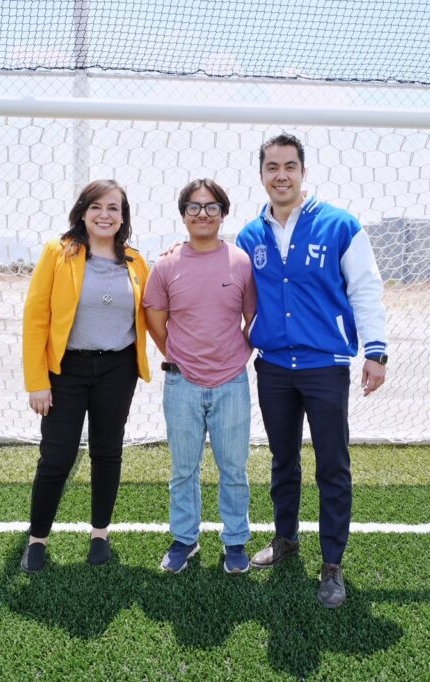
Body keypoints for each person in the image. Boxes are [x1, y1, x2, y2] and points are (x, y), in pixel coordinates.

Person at [235, 133, 388, 608]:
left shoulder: (339, 225)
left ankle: (332, 563)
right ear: (261, 174)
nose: (281, 175)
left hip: (325, 367)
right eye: (272, 167)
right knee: (283, 460)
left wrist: (376, 351)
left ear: (303, 172)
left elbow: (365, 287)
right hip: (274, 369)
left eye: (289, 166)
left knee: (332, 465)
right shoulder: (249, 236)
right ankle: (286, 538)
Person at [20, 179, 151, 573]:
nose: (104, 215)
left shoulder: (136, 262)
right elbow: (36, 318)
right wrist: (37, 382)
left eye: (113, 208)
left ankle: (100, 534)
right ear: (82, 212)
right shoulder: (58, 252)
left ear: (123, 217)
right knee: (56, 456)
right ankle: (37, 539)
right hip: (66, 371)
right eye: (96, 207)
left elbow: (154, 308)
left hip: (118, 369)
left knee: (107, 452)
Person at [143, 179, 258, 576]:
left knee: (234, 469)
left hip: (232, 383)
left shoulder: (241, 262)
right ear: (183, 215)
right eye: (194, 207)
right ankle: (184, 539)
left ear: (223, 214)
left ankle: (235, 540)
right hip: (182, 384)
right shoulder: (166, 265)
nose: (202, 214)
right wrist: (178, 355)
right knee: (183, 470)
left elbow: (251, 318)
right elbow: (154, 318)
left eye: (211, 207)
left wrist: (233, 353)